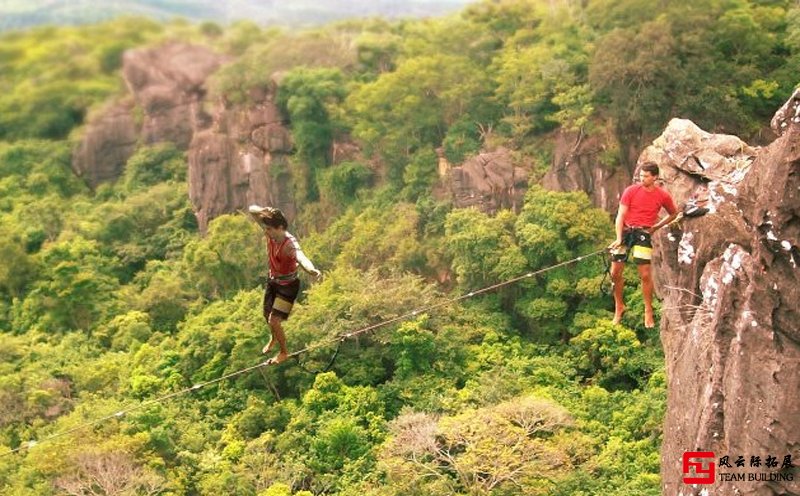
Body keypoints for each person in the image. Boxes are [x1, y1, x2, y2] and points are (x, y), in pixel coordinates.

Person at [608, 163, 678, 328]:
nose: (642, 178)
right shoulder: (631, 191)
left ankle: (648, 310)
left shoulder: (662, 196)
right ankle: (619, 306)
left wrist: (656, 227)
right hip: (625, 231)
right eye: (641, 175)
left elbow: (674, 213)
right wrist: (619, 238)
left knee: (645, 274)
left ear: (655, 177)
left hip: (643, 233)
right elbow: (620, 215)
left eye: (646, 176)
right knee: (615, 272)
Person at [249, 205, 321, 364]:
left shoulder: (289, 244)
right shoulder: (271, 234)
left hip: (287, 287)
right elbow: (251, 209)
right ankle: (274, 337)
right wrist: (264, 211)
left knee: (274, 320)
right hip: (273, 281)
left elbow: (302, 257)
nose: (266, 232)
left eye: (269, 229)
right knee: (266, 315)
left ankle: (283, 352)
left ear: (280, 227)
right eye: (266, 228)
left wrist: (311, 270)